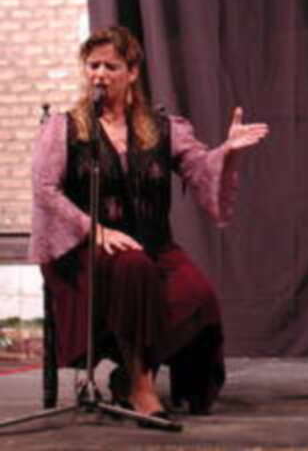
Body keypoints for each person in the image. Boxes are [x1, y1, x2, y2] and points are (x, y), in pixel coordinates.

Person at [30, 25, 269, 421]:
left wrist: (228, 151)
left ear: (133, 72)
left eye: (111, 65)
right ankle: (142, 387)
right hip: (84, 249)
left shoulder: (161, 127)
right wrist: (96, 230)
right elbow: (45, 189)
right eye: (93, 66)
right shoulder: (67, 128)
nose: (100, 74)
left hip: (152, 244)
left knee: (198, 295)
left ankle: (127, 377)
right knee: (133, 267)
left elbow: (200, 168)